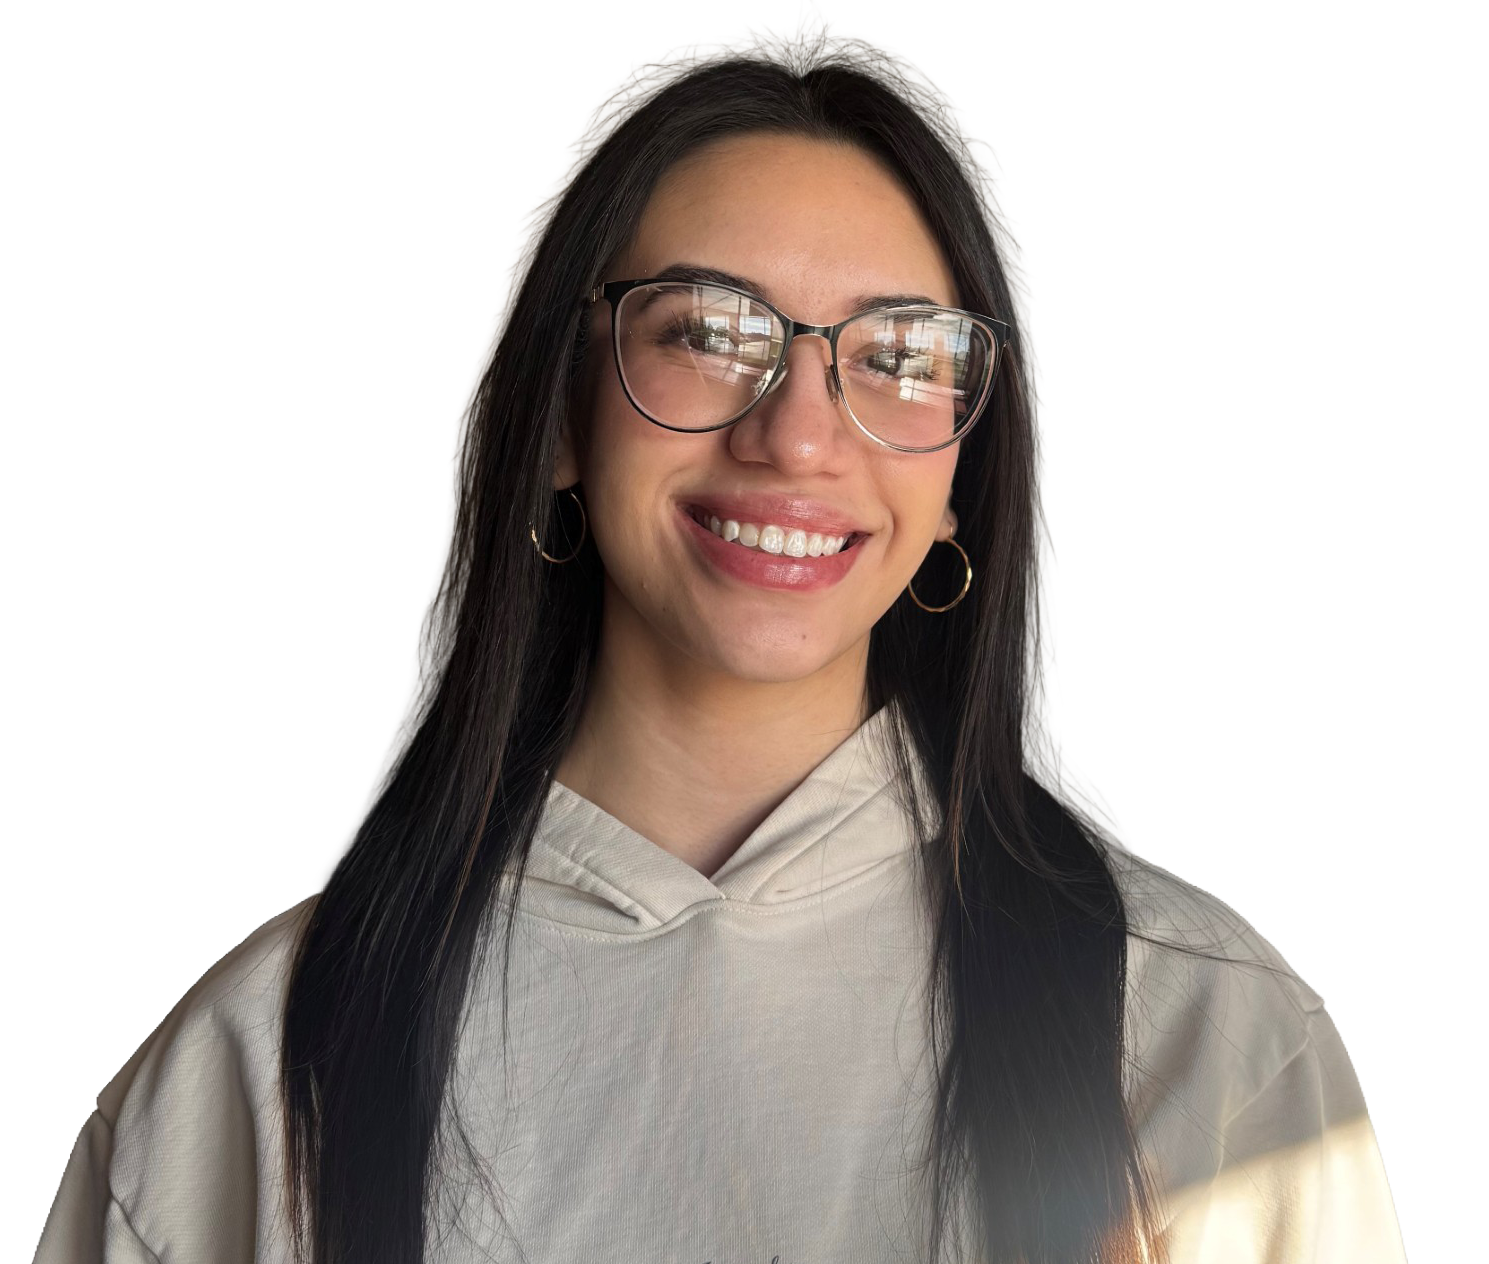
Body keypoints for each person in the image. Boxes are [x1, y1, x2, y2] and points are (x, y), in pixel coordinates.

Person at [35, 40, 1405, 1264]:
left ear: (958, 482)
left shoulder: (1192, 1031)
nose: (799, 433)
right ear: (564, 419)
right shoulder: (258, 1061)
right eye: (706, 330)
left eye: (899, 355)